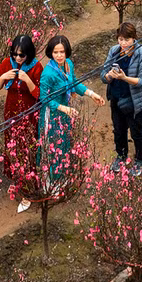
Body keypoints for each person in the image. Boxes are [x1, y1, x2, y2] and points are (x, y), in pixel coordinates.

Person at [34, 35, 104, 179]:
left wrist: (91, 94)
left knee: (64, 142)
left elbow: (73, 83)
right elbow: (44, 98)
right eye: (55, 52)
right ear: (50, 53)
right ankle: (51, 181)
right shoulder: (48, 73)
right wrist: (63, 108)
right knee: (53, 145)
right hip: (52, 113)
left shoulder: (68, 65)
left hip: (65, 110)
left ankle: (62, 175)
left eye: (62, 52)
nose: (59, 56)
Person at [0, 35, 43, 211]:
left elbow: (40, 95)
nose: (18, 58)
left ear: (29, 53)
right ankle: (17, 180)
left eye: (22, 55)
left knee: (27, 149)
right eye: (15, 54)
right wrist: (4, 76)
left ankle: (28, 189)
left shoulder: (36, 67)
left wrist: (27, 80)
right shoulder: (7, 63)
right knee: (13, 149)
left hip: (28, 115)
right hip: (11, 112)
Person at [99, 23, 142, 173]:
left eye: (127, 40)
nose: (123, 43)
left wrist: (125, 78)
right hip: (116, 98)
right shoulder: (114, 51)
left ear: (134, 38)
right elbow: (103, 75)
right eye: (120, 39)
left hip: (135, 101)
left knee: (137, 132)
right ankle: (121, 156)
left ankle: (140, 160)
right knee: (119, 130)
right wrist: (109, 75)